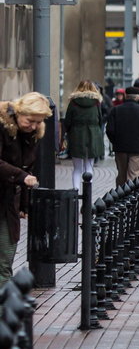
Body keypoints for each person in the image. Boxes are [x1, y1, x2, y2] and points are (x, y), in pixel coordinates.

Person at [0, 92, 52, 286]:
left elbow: (27, 168)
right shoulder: (2, 125)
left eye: (38, 122)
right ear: (19, 112)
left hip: (8, 203)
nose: (33, 126)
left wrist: (24, 205)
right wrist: (22, 177)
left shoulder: (32, 135)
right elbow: (22, 173)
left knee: (5, 257)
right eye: (30, 121)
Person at [106, 86, 139, 187]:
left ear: (125, 96)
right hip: (137, 148)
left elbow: (110, 130)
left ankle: (120, 198)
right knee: (134, 175)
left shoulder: (116, 110)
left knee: (121, 175)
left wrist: (115, 142)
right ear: (137, 97)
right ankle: (132, 199)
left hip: (120, 148)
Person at [64, 81, 106, 190]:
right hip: (93, 135)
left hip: (76, 136)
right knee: (89, 167)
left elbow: (68, 121)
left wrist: (67, 134)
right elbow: (100, 120)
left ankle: (75, 191)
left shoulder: (73, 102)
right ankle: (88, 193)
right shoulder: (96, 102)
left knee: (77, 169)